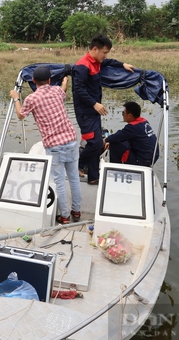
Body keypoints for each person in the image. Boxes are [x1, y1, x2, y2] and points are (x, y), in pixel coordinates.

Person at [9, 66, 82, 224]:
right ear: (49, 80)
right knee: (74, 178)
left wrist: (16, 98)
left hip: (54, 145)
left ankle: (65, 216)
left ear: (34, 81)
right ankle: (76, 211)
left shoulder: (32, 99)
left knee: (59, 182)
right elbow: (63, 90)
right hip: (71, 139)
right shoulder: (57, 91)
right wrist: (65, 81)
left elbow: (21, 115)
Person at [72, 34, 135, 185]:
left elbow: (109, 62)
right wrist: (94, 104)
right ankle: (78, 165)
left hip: (95, 110)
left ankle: (93, 177)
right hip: (85, 112)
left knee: (98, 142)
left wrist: (123, 64)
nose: (105, 56)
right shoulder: (82, 66)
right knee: (94, 143)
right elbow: (78, 89)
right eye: (104, 52)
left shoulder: (97, 61)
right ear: (95, 49)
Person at [103, 101, 159, 167]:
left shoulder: (133, 127)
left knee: (114, 144)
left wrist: (105, 140)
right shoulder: (143, 121)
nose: (122, 115)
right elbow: (123, 136)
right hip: (152, 158)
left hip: (142, 161)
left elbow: (116, 136)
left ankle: (115, 169)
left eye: (123, 113)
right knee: (118, 140)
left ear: (130, 116)